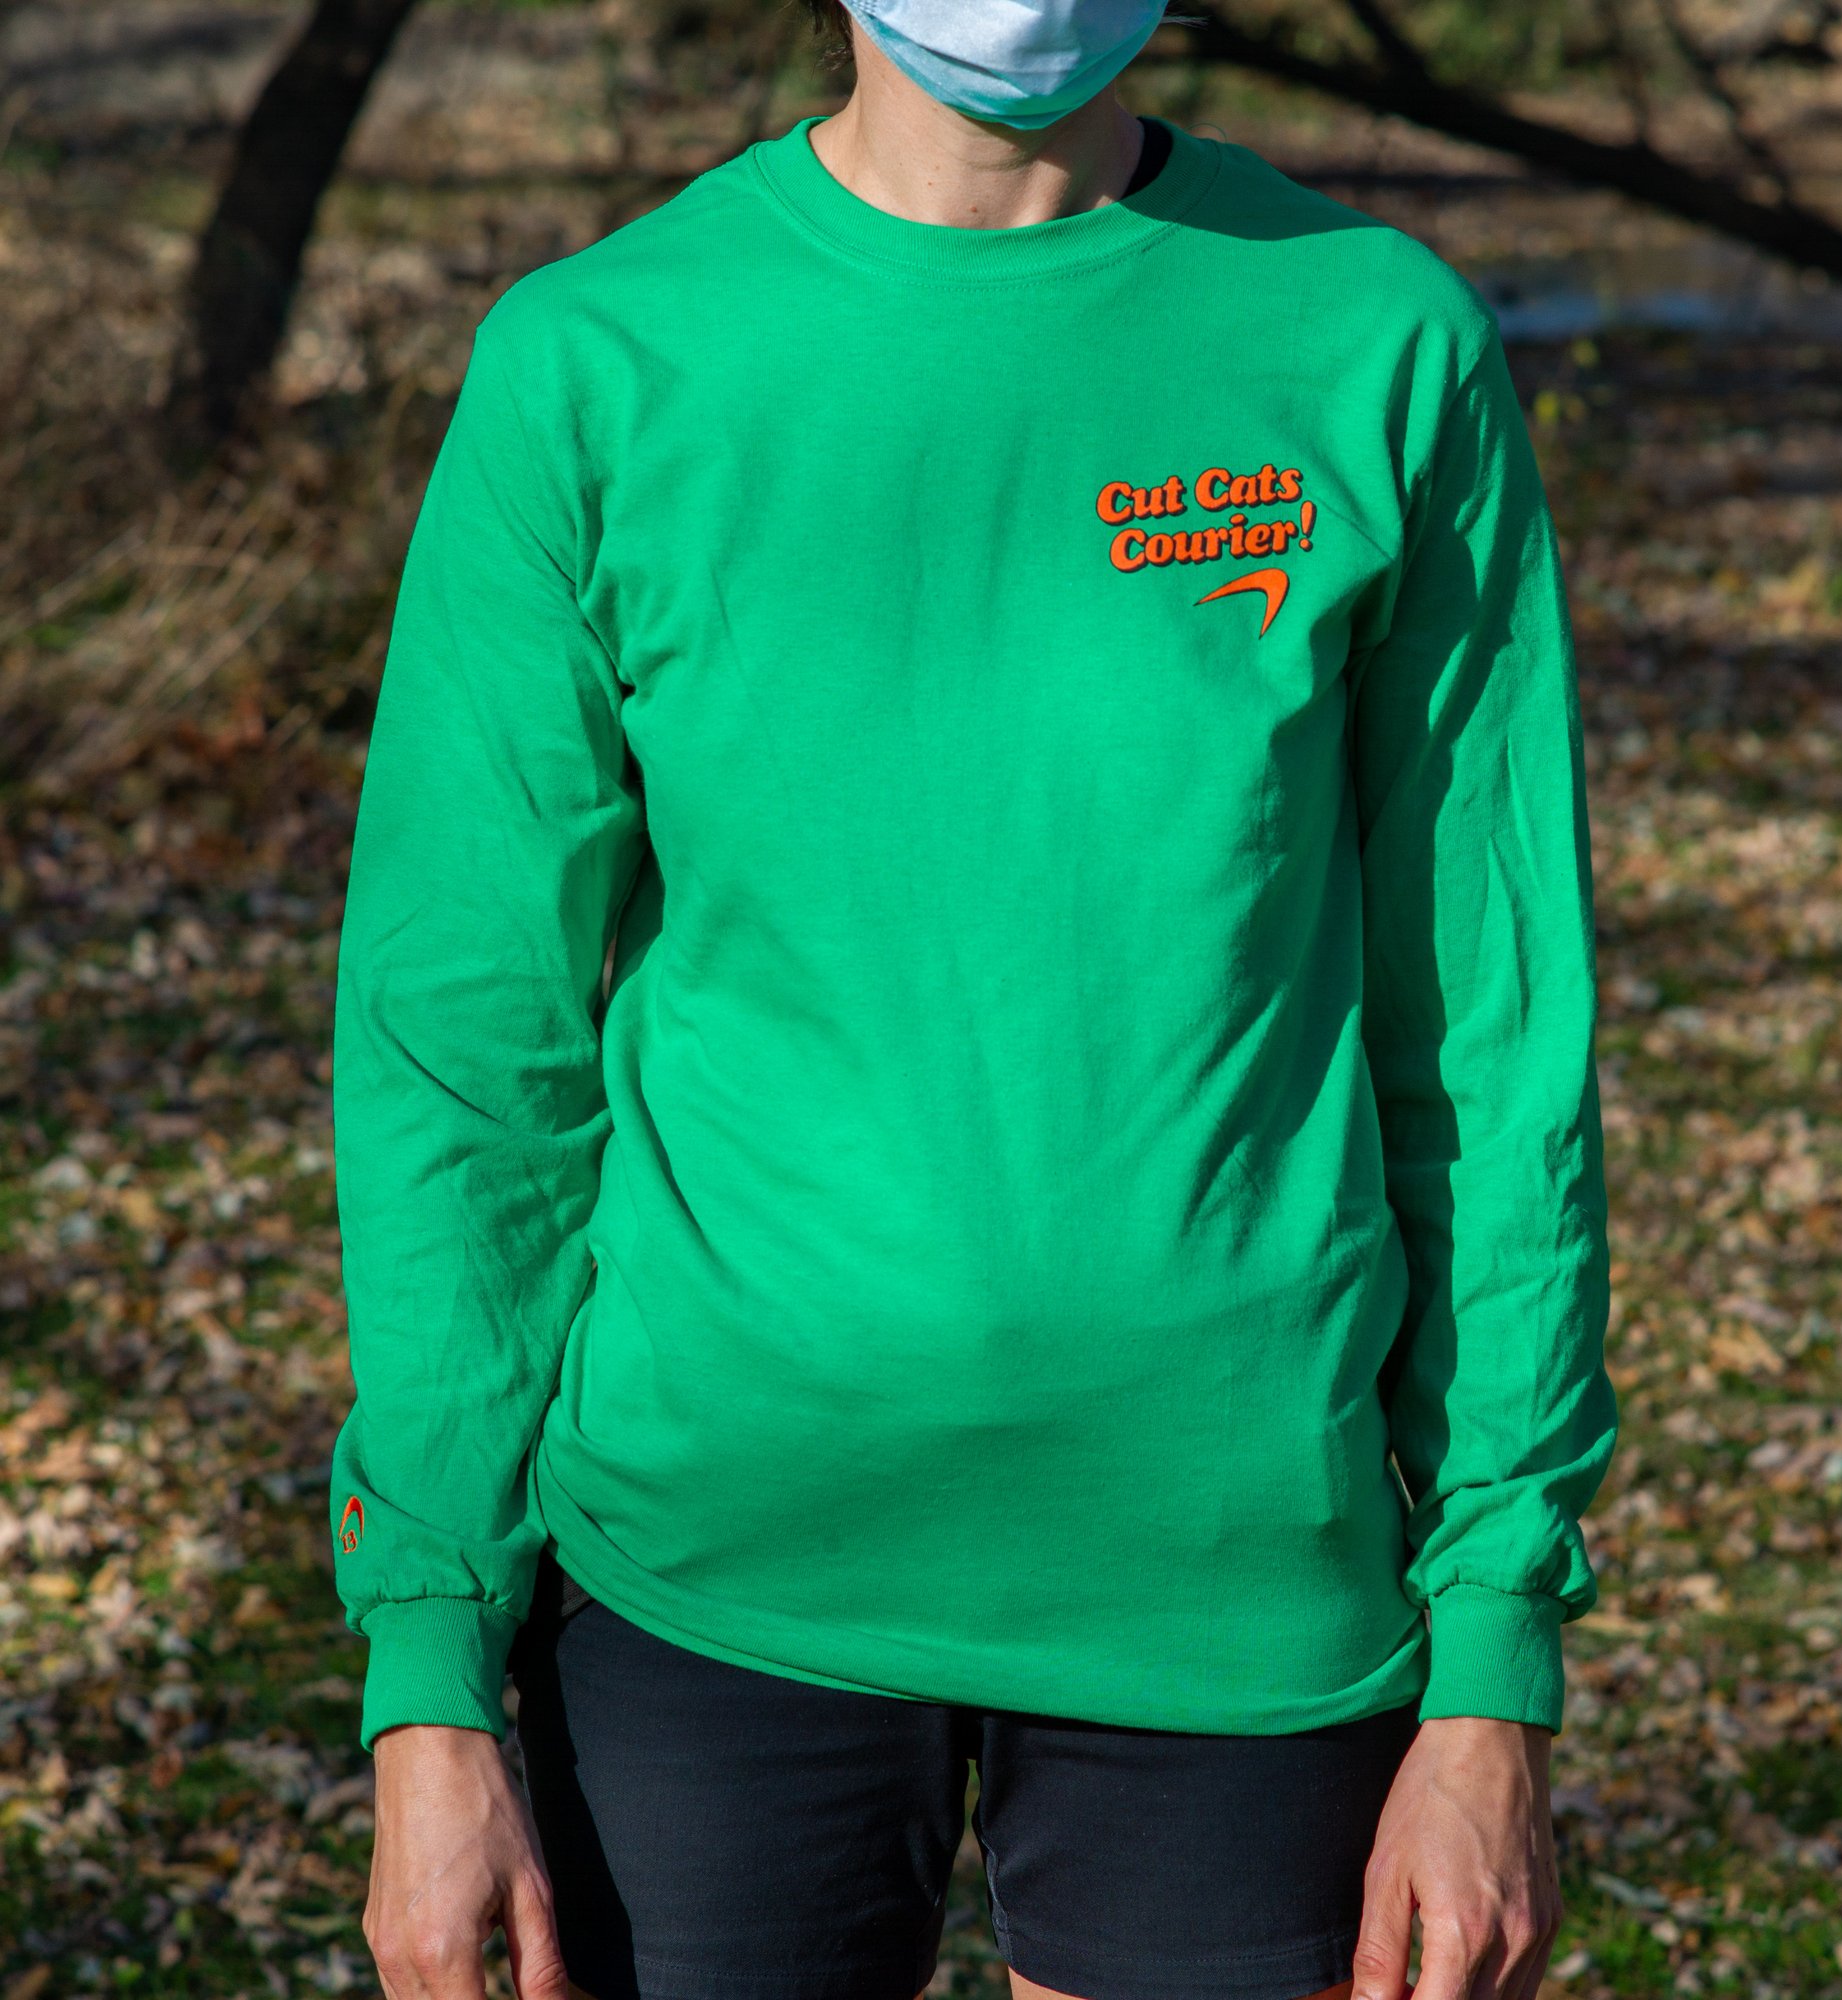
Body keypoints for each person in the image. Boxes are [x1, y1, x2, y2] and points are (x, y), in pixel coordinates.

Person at [331, 3, 1620, 1997]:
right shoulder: (598, 361)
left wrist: (1493, 1666)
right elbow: (463, 1052)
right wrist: (429, 1664)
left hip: (1232, 1586)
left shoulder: (1374, 341)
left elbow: (1490, 1040)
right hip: (709, 1577)